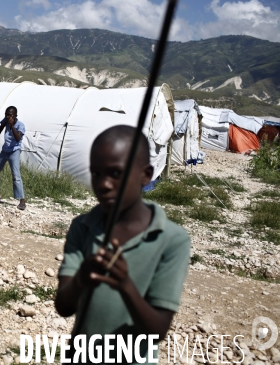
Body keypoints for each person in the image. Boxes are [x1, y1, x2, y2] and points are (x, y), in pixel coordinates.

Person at [55, 125, 191, 364]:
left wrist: (126, 286)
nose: (104, 184)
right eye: (96, 174)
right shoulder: (83, 226)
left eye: (116, 174)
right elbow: (64, 307)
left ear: (146, 175)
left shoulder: (171, 240)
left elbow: (157, 331)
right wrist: (80, 280)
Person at [0, 106, 27, 210]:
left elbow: (17, 138)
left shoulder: (20, 125)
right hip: (5, 150)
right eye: (6, 114)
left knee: (16, 175)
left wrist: (11, 126)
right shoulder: (5, 121)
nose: (8, 116)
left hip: (14, 151)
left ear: (15, 115)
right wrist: (4, 123)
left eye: (10, 115)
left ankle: (22, 200)